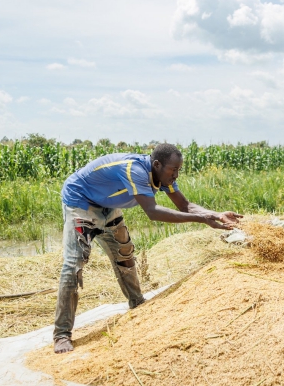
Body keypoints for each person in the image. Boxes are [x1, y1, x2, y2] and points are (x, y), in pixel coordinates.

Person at [53, 143, 242, 353]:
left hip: (108, 206)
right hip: (82, 202)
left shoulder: (162, 176)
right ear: (157, 164)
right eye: (173, 169)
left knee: (124, 254)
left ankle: (137, 302)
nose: (176, 175)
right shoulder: (134, 170)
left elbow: (185, 206)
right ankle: (62, 334)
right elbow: (152, 212)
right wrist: (202, 219)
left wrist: (216, 215)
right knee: (74, 264)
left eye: (179, 169)